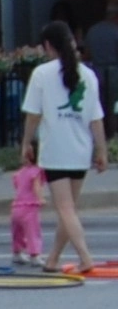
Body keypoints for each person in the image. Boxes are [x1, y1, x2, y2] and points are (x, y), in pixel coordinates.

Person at [22, 20, 108, 275]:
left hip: (56, 150)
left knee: (65, 209)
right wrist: (101, 150)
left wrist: (26, 142)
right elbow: (96, 118)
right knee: (68, 208)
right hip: (80, 149)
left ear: (48, 46)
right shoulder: (88, 75)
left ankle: (85, 256)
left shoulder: (42, 74)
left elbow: (33, 115)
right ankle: (52, 259)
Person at [84, 0, 118, 137]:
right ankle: (113, 136)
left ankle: (99, 135)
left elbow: (87, 54)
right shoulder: (116, 31)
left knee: (97, 107)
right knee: (114, 108)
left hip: (96, 72)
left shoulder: (92, 30)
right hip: (115, 74)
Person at [10, 154, 46, 268]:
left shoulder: (20, 172)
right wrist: (40, 198)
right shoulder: (36, 171)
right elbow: (36, 186)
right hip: (30, 206)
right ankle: (34, 255)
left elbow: (17, 186)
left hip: (16, 206)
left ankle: (17, 253)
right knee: (33, 232)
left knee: (17, 232)